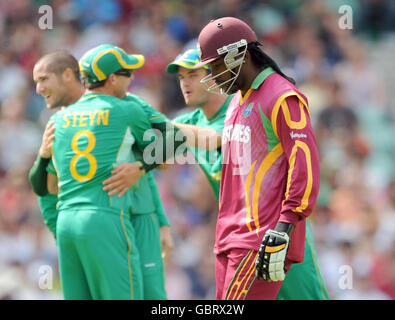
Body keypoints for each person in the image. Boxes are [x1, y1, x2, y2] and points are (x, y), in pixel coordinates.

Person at [166, 47, 329, 300]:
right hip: (240, 237)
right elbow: (159, 157)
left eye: (193, 74)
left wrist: (161, 124)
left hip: (278, 231)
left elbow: (216, 139)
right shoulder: (193, 121)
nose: (185, 83)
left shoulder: (239, 109)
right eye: (181, 77)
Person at [29, 47, 183, 299]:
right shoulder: (126, 107)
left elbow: (43, 186)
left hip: (68, 222)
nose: (132, 79)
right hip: (109, 217)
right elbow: (174, 140)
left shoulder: (57, 121)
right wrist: (143, 166)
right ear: (112, 79)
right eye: (128, 73)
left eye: (43, 80)